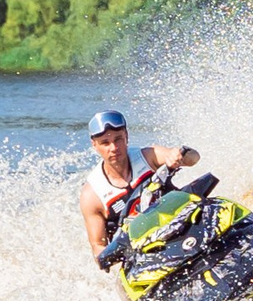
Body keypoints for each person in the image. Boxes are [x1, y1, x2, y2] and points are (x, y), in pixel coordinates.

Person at [80, 109, 199, 265]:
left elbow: (193, 159)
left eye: (118, 139)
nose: (114, 148)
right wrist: (109, 257)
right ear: (94, 145)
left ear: (126, 136)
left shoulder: (148, 157)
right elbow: (98, 247)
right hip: (142, 256)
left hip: (178, 229)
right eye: (105, 143)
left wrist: (177, 155)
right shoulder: (92, 195)